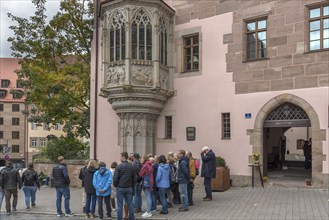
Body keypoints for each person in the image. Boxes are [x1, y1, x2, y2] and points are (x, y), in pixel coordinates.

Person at [113, 152, 135, 220]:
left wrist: (116, 185)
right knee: (130, 204)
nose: (120, 158)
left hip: (120, 187)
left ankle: (119, 218)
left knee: (120, 205)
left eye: (120, 156)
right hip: (129, 187)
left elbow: (115, 178)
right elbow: (134, 178)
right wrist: (132, 186)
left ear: (123, 157)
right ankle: (132, 218)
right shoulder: (131, 166)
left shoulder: (119, 166)